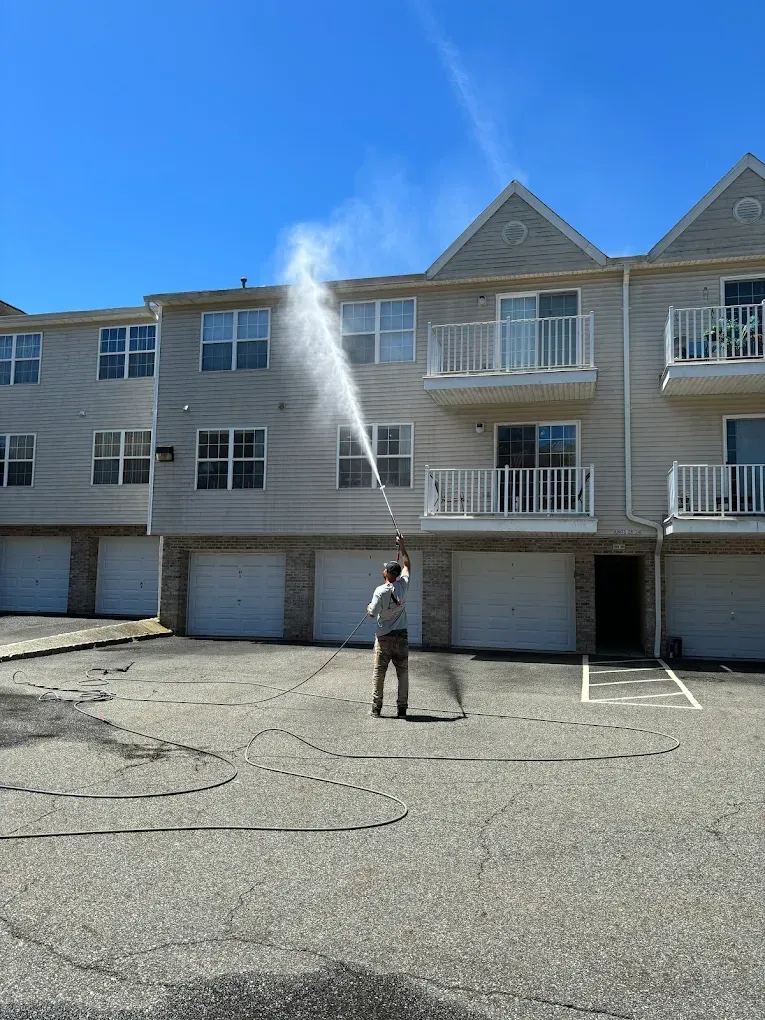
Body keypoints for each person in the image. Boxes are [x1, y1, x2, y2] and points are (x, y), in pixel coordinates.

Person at [366, 535, 410, 718]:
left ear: (387, 574)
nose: (383, 570)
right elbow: (407, 565)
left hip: (384, 638)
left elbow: (371, 613)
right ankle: (402, 709)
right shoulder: (404, 584)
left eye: (385, 569)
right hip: (402, 637)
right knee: (403, 674)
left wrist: (368, 608)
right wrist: (403, 546)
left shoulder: (380, 591)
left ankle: (376, 709)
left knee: (379, 674)